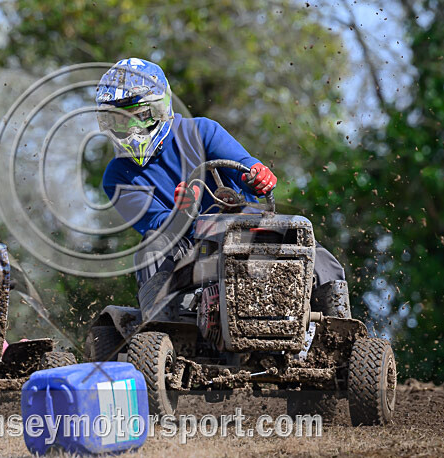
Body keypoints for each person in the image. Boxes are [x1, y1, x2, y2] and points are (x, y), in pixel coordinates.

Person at [95, 58, 348, 311]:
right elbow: (156, 223)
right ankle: (163, 326)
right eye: (117, 120)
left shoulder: (202, 131)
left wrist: (258, 176)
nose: (128, 128)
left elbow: (245, 168)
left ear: (159, 108)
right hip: (188, 246)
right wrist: (183, 212)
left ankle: (335, 319)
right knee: (153, 246)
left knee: (303, 241)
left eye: (137, 116)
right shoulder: (117, 177)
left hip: (236, 224)